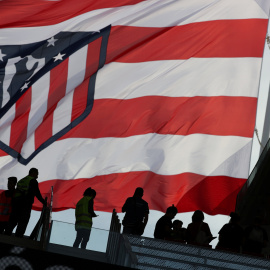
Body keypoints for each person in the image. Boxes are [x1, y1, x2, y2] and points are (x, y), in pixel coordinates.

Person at [5, 168, 46, 237]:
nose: (37, 176)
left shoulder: (21, 180)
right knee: (23, 222)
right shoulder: (33, 181)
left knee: (13, 221)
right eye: (36, 174)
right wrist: (44, 202)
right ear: (33, 173)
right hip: (25, 205)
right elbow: (37, 193)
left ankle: (6, 235)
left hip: (16, 204)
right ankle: (18, 238)